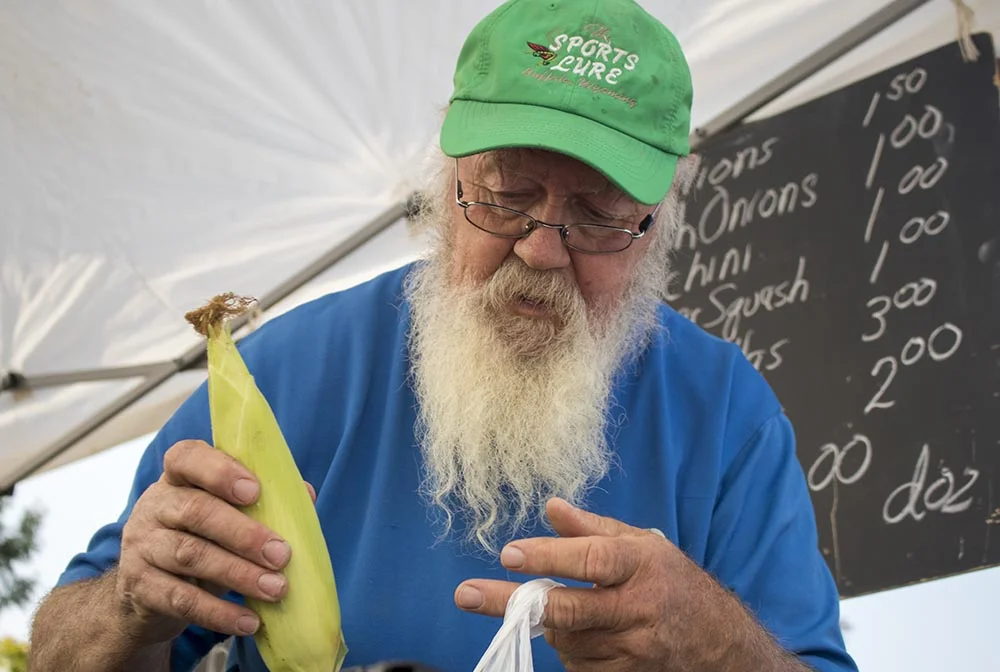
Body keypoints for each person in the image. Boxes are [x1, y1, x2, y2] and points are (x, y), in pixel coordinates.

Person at [28, 0, 858, 670]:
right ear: (443, 179)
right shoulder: (281, 376)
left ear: (657, 227)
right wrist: (128, 606)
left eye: (599, 217)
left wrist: (712, 645)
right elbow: (62, 656)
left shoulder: (725, 414)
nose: (540, 249)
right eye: (505, 195)